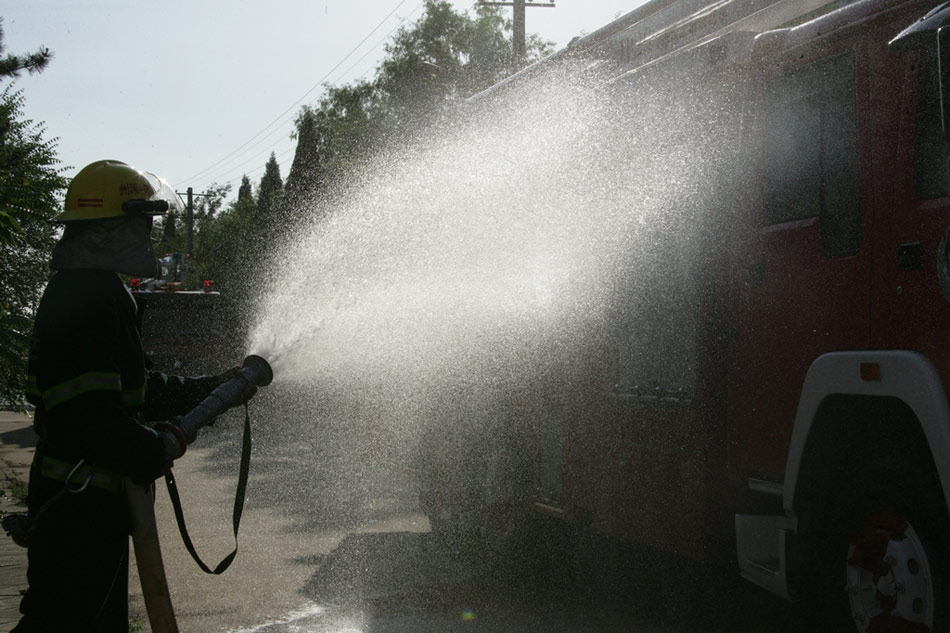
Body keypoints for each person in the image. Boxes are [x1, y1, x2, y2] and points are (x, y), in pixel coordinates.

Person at [13, 159, 248, 632]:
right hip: (79, 509)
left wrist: (214, 387)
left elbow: (139, 391)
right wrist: (150, 449)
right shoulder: (86, 299)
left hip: (86, 505)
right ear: (108, 228)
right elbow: (90, 420)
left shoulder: (97, 290)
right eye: (141, 225)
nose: (148, 237)